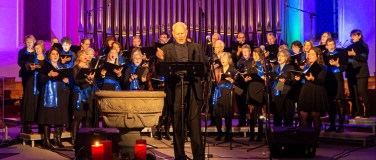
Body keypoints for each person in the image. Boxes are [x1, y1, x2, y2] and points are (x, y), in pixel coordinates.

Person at [160, 22, 205, 160]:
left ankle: (198, 156)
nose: (180, 36)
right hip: (175, 89)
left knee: (195, 125)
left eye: (182, 33)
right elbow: (159, 69)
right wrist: (159, 60)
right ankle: (180, 156)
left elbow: (204, 69)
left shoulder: (196, 47)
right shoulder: (166, 49)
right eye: (177, 33)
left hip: (192, 88)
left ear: (187, 32)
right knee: (178, 124)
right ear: (173, 34)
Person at [38, 47, 70, 149]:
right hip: (49, 94)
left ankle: (58, 140)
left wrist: (67, 80)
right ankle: (46, 141)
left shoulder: (62, 67)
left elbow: (68, 80)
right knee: (48, 117)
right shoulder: (45, 67)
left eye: (57, 54)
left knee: (59, 117)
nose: (55, 56)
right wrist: (48, 74)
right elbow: (41, 79)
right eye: (53, 54)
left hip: (61, 94)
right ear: (49, 56)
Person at [296, 47, 328, 144]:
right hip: (306, 90)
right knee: (303, 115)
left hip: (316, 90)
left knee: (315, 115)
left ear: (318, 56)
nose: (310, 56)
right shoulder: (306, 66)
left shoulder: (321, 67)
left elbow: (322, 80)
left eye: (312, 54)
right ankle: (307, 137)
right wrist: (298, 77)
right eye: (309, 54)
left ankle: (315, 140)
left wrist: (312, 78)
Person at [71, 50, 96, 146]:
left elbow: (93, 80)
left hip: (89, 92)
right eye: (83, 55)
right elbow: (76, 81)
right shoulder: (76, 68)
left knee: (87, 116)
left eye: (86, 55)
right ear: (78, 57)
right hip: (79, 93)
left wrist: (91, 80)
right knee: (78, 117)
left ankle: (85, 138)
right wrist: (86, 79)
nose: (85, 56)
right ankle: (75, 139)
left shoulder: (89, 68)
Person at [20, 40, 45, 134]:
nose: (37, 49)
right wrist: (30, 68)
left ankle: (41, 127)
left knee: (40, 104)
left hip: (41, 83)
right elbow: (25, 67)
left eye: (39, 48)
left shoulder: (46, 58)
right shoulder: (31, 57)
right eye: (36, 48)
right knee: (30, 103)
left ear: (42, 48)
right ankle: (28, 127)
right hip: (31, 82)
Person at [346, 29, 371, 118]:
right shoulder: (350, 47)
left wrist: (354, 55)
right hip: (351, 72)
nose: (352, 37)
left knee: (363, 92)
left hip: (361, 73)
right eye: (351, 35)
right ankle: (356, 112)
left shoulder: (363, 46)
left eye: (354, 35)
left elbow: (364, 59)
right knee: (354, 93)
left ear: (359, 36)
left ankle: (368, 112)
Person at [212, 52, 237, 141]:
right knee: (217, 114)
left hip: (227, 92)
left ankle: (228, 134)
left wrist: (231, 80)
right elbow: (213, 80)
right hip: (218, 91)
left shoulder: (233, 70)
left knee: (227, 114)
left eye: (225, 58)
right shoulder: (218, 69)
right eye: (222, 58)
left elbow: (237, 82)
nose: (223, 60)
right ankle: (219, 133)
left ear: (228, 60)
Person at [324, 38, 347, 132]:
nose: (331, 46)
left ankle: (341, 125)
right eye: (329, 44)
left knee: (339, 101)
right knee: (330, 103)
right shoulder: (324, 56)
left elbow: (345, 67)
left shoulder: (340, 54)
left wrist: (338, 65)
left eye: (333, 44)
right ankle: (332, 124)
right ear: (326, 46)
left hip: (338, 79)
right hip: (328, 80)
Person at [244, 48, 265, 142]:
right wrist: (246, 78)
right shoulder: (250, 64)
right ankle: (252, 134)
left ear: (260, 55)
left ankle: (260, 135)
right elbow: (246, 77)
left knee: (260, 113)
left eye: (256, 55)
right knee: (251, 113)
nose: (255, 56)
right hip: (251, 88)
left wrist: (263, 77)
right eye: (254, 54)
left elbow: (267, 78)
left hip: (260, 89)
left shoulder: (264, 65)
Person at [271, 50, 295, 126]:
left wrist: (285, 80)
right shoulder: (274, 67)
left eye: (282, 56)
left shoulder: (290, 67)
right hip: (276, 93)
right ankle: (277, 135)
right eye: (279, 56)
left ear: (287, 58)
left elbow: (293, 81)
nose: (280, 58)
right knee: (277, 115)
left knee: (287, 115)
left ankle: (288, 135)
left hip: (286, 93)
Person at [235, 44, 253, 126]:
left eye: (246, 51)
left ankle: (252, 122)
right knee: (241, 104)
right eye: (243, 52)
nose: (245, 53)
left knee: (251, 104)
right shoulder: (239, 61)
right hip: (242, 84)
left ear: (250, 52)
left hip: (250, 85)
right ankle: (242, 122)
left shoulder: (253, 61)